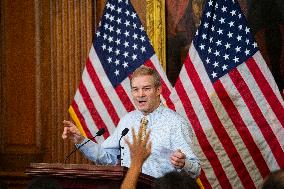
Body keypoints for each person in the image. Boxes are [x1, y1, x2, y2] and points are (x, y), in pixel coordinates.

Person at [62, 66, 200, 178]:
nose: (140, 95)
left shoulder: (176, 123)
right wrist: (81, 140)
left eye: (146, 89)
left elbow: (196, 169)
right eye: (135, 89)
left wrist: (184, 164)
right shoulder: (127, 121)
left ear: (158, 90)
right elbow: (108, 157)